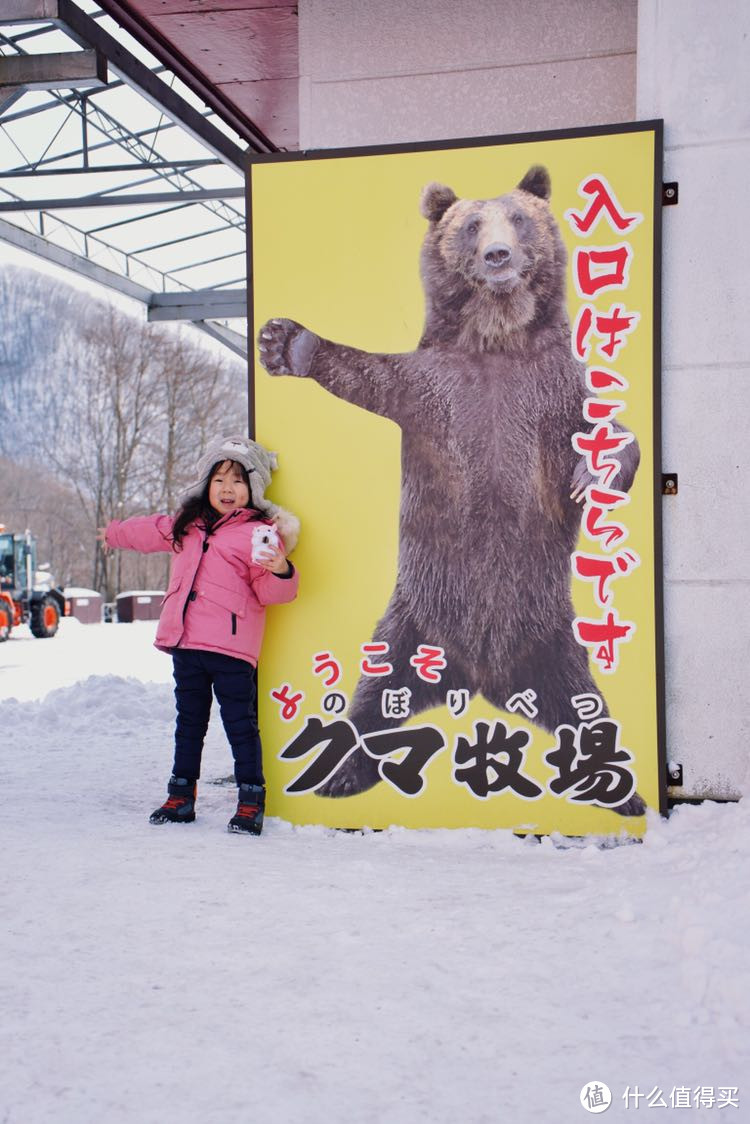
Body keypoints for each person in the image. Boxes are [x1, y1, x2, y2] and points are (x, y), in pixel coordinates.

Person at [98, 435, 299, 836]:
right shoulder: (186, 525)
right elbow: (149, 531)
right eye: (220, 479)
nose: (228, 489)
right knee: (189, 722)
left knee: (240, 724)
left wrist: (280, 569)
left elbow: (270, 593)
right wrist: (114, 534)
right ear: (206, 483)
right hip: (186, 642)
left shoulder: (259, 533)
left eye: (238, 481)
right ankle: (180, 796)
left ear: (253, 488)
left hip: (232, 647)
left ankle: (250, 801)